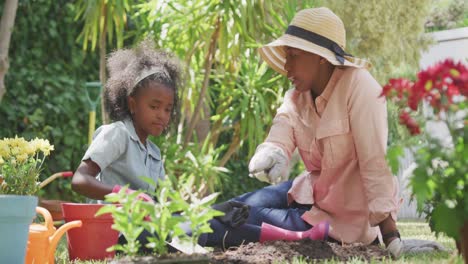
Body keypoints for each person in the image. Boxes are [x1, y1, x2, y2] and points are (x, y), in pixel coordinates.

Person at [71, 41, 329, 252]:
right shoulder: (116, 134)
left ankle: (298, 237)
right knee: (194, 231)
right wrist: (123, 194)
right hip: (114, 232)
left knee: (214, 222)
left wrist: (215, 211)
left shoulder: (153, 153)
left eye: (168, 109)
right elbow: (80, 180)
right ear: (132, 104)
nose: (162, 115)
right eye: (154, 106)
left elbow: (166, 204)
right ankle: (295, 237)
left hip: (149, 228)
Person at [229, 7, 406, 257]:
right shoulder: (297, 95)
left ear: (321, 56)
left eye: (294, 55)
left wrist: (389, 231)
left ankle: (171, 232)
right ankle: (162, 225)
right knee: (235, 207)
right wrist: (273, 150)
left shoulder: (361, 87)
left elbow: (374, 160)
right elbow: (283, 125)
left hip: (345, 219)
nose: (286, 67)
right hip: (311, 193)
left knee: (240, 218)